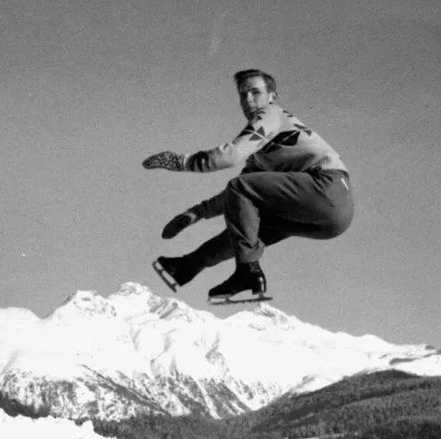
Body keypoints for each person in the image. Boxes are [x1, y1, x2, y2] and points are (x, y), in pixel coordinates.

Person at [142, 69, 354, 303]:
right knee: (248, 226)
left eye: (255, 92)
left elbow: (231, 156)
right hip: (329, 219)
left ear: (272, 96)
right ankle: (188, 265)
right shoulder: (261, 156)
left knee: (242, 189)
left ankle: (247, 272)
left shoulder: (272, 114)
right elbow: (235, 199)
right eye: (243, 95)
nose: (249, 100)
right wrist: (195, 213)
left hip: (325, 186)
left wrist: (179, 161)